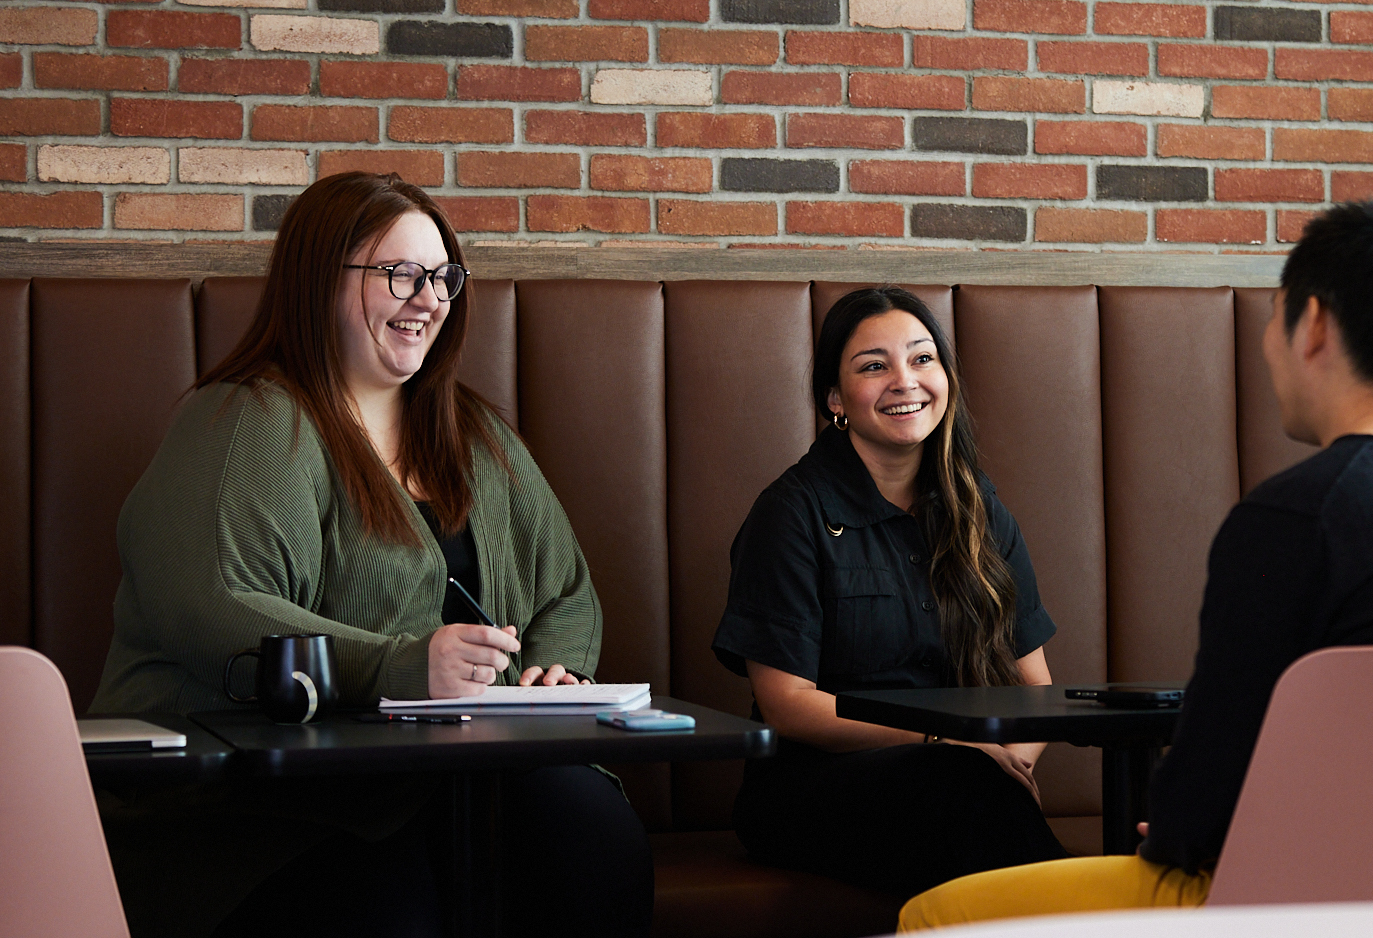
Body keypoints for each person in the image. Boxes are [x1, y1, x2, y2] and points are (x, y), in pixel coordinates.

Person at [897, 199, 1373, 929]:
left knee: (933, 914)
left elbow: (1212, 764)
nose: (1269, 345)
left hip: (1280, 902)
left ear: (1312, 324)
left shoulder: (1293, 516)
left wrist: (1184, 831)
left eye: (1275, 318)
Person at [89, 172, 653, 938]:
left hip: (445, 785)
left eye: (442, 277)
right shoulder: (247, 420)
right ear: (320, 280)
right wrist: (402, 665)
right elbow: (215, 607)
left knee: (587, 826)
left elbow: (567, 592)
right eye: (400, 274)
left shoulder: (475, 435)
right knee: (392, 900)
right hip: (265, 805)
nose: (428, 299)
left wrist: (556, 670)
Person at [711, 286, 1068, 898]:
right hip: (812, 792)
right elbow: (788, 703)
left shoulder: (978, 507)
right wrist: (951, 747)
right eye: (874, 366)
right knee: (958, 795)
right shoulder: (791, 512)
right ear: (834, 399)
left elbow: (1033, 690)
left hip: (963, 788)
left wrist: (1010, 762)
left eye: (922, 358)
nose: (906, 381)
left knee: (965, 802)